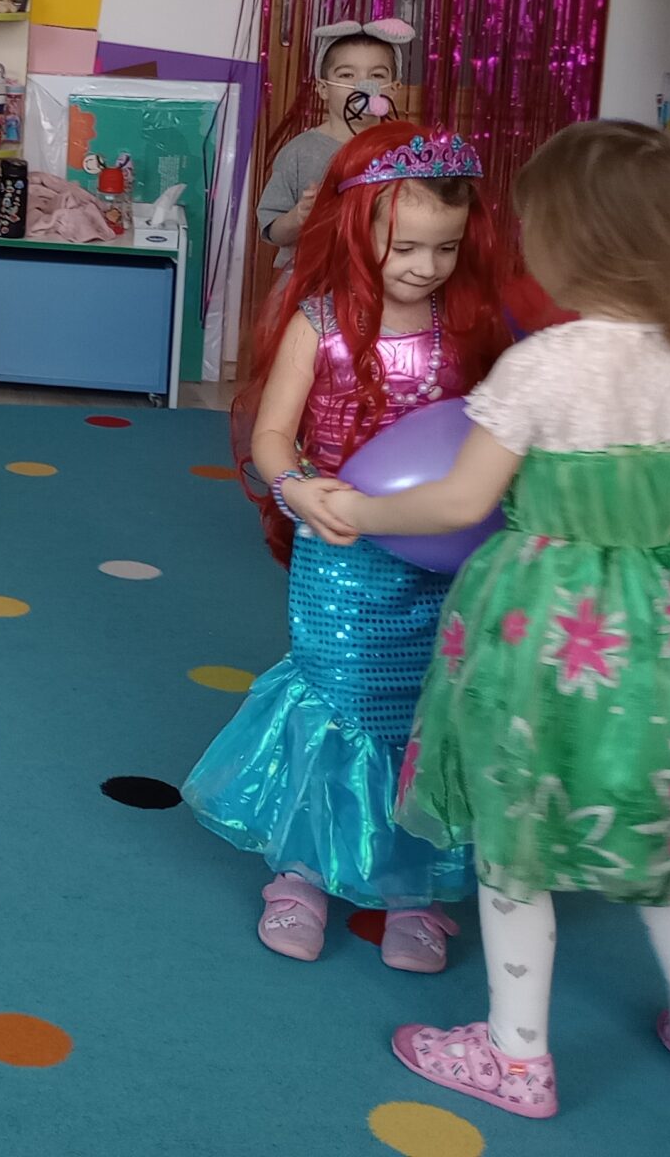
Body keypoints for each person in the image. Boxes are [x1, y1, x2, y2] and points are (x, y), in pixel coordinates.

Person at [323, 120, 670, 1120]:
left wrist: (357, 510)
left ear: (571, 239)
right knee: (668, 826)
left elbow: (457, 500)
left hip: (546, 627)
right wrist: (644, 521)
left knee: (518, 837)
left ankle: (516, 1056)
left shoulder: (542, 367)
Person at [183, 123, 512, 974]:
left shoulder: (468, 328)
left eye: (446, 248)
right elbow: (273, 435)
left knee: (424, 714)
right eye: (406, 246)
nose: (426, 266)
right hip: (343, 556)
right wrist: (295, 488)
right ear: (359, 229)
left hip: (443, 563)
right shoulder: (320, 322)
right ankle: (302, 872)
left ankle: (413, 887)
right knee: (342, 702)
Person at [256, 19, 414, 269]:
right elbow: (273, 231)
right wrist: (299, 217)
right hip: (311, 278)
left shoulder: (407, 149)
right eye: (347, 75)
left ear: (393, 88)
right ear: (323, 88)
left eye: (376, 75)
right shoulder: (299, 152)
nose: (362, 85)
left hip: (383, 276)